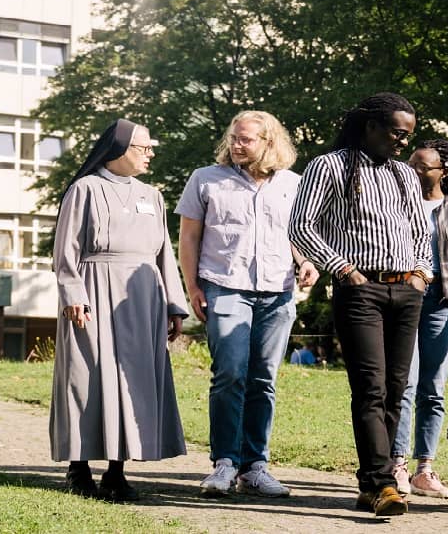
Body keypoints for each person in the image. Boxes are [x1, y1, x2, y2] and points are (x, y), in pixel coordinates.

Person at [288, 92, 431, 517]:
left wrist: (422, 274)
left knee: (396, 389)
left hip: (407, 291)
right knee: (370, 388)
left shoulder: (405, 175)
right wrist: (344, 269)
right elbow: (301, 226)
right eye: (396, 133)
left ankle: (373, 483)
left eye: (408, 135)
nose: (403, 142)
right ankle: (383, 483)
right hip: (360, 290)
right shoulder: (328, 166)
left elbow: (420, 231)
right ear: (370, 126)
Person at [50, 119, 191, 501]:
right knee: (87, 376)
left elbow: (165, 255)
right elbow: (65, 252)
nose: (150, 154)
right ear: (119, 149)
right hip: (93, 291)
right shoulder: (84, 189)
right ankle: (78, 468)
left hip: (142, 296)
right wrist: (72, 294)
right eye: (143, 147)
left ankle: (117, 470)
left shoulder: (153, 195)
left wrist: (174, 304)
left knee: (133, 380)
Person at [178, 111, 317, 499]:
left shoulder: (294, 184)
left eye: (247, 140)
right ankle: (224, 463)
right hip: (225, 287)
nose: (237, 145)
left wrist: (306, 261)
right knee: (230, 375)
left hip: (277, 290)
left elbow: (298, 235)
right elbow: (189, 238)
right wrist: (192, 287)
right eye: (234, 138)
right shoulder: (206, 179)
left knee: (263, 380)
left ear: (268, 142)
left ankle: (255, 467)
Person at [391, 139, 448, 499]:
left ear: (445, 172)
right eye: (412, 164)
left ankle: (425, 468)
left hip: (442, 301)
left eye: (423, 166)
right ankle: (397, 465)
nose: (415, 171)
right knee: (404, 384)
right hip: (404, 296)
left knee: (434, 388)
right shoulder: (395, 203)